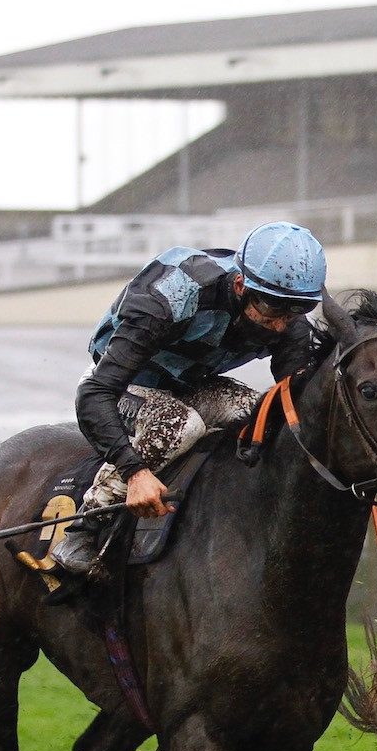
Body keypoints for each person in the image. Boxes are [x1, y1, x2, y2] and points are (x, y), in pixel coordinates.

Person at [47, 220, 327, 577]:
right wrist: (135, 474)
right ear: (241, 285)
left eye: (296, 311)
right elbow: (94, 394)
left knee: (264, 415)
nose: (281, 326)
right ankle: (85, 529)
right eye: (275, 310)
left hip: (190, 385)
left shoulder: (284, 316)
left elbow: (293, 397)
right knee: (181, 424)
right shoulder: (172, 297)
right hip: (123, 384)